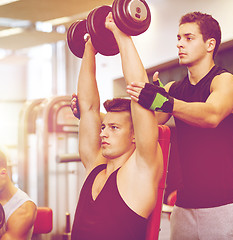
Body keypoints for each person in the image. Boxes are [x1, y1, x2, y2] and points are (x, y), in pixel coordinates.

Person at [126, 11, 233, 239]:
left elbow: (211, 115)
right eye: (178, 38)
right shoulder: (174, 89)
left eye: (188, 38)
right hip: (184, 207)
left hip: (225, 207)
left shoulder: (225, 81)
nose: (180, 45)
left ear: (210, 44)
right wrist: (92, 117)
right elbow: (146, 125)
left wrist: (165, 102)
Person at [70, 12, 163, 240]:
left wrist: (122, 35)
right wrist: (89, 48)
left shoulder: (141, 170)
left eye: (114, 128)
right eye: (104, 127)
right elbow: (89, 107)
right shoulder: (95, 164)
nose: (103, 133)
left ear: (134, 135)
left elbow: (139, 90)